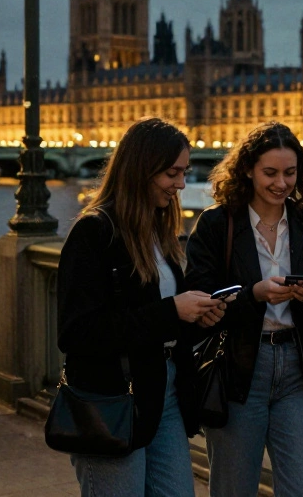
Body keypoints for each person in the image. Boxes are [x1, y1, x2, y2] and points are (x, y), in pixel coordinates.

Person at [57, 117, 229, 497]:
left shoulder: (157, 232)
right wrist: (172, 311)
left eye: (184, 172)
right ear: (141, 168)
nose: (181, 184)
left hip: (164, 392)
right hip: (113, 399)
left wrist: (200, 317)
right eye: (172, 173)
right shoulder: (94, 232)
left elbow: (161, 320)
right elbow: (77, 332)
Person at [185, 121, 303, 497]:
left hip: (297, 369)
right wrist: (253, 295)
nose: (281, 183)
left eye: (290, 173)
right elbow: (199, 304)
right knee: (234, 488)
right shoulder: (216, 224)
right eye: (270, 173)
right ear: (248, 169)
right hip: (238, 368)